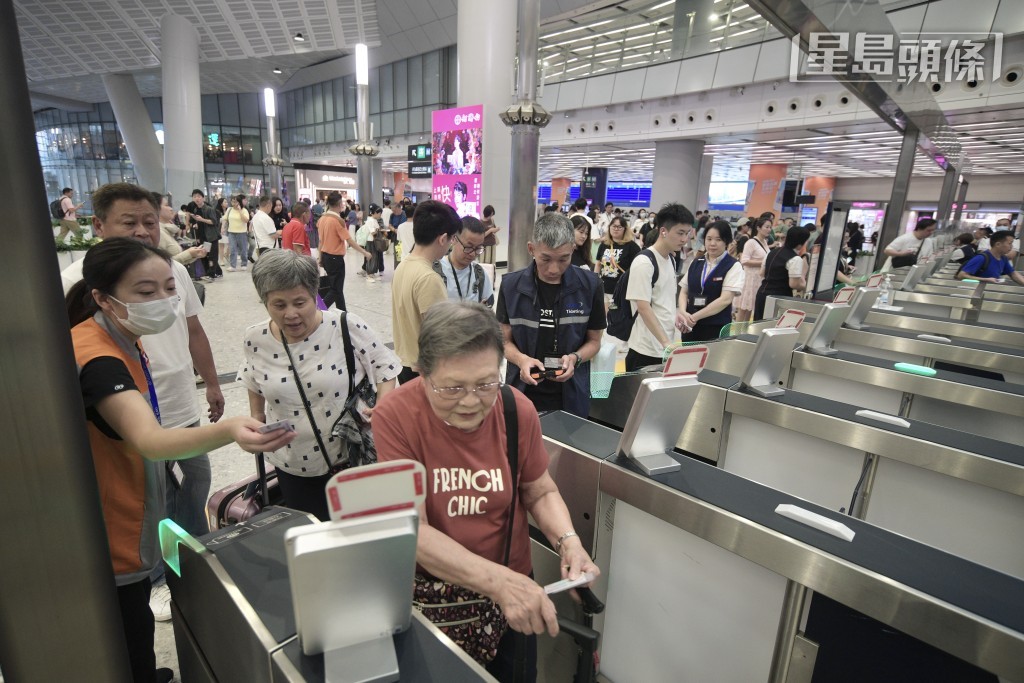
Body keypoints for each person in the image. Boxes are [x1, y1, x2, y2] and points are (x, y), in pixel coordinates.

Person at [66, 238, 295, 683]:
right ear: (101, 297)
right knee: (125, 631)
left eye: (169, 287)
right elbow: (149, 440)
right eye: (145, 292)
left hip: (133, 507)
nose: (164, 301)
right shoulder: (96, 356)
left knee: (136, 626)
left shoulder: (123, 335)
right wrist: (230, 430)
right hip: (113, 521)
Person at [374, 301, 600, 682]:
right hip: (438, 594)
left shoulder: (516, 409)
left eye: (485, 384)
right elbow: (412, 530)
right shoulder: (396, 416)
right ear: (423, 372)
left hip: (514, 587)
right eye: (452, 387)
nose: (470, 401)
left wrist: (569, 542)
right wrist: (497, 582)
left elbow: (539, 490)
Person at [60, 183, 227, 621]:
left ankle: (185, 561)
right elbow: (143, 436)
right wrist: (234, 430)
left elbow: (194, 331)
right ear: (99, 226)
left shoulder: (169, 269)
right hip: (129, 419)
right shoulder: (80, 286)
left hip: (176, 403)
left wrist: (210, 383)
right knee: (152, 501)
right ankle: (155, 575)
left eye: (149, 222)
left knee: (194, 484)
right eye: (128, 222)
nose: (141, 231)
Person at [238, 250, 400, 521]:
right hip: (293, 466)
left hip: (352, 460)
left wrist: (382, 408)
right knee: (316, 539)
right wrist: (256, 420)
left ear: (315, 294)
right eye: (278, 305)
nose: (291, 314)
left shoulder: (345, 326)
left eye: (300, 302)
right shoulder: (256, 339)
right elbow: (253, 379)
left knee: (361, 534)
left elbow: (386, 366)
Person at [496, 213, 605, 417]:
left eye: (564, 259)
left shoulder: (590, 286)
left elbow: (595, 341)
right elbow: (503, 341)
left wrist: (575, 359)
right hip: (522, 390)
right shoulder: (511, 286)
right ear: (531, 249)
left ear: (573, 249)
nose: (554, 269)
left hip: (571, 393)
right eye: (545, 259)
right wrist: (521, 360)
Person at [392, 200, 462, 383]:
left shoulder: (403, 266)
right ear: (442, 239)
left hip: (404, 362)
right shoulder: (429, 279)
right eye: (452, 239)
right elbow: (439, 336)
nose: (451, 244)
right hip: (424, 370)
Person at [625, 204, 693, 370]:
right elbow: (643, 307)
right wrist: (667, 343)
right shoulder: (644, 262)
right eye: (680, 233)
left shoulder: (669, 259)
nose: (685, 239)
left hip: (663, 347)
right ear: (664, 231)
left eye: (687, 233)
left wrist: (675, 316)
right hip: (645, 349)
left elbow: (663, 300)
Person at [676, 220, 744, 342]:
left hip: (716, 327)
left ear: (726, 241)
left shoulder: (733, 266)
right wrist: (682, 312)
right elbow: (684, 291)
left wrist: (694, 318)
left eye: (718, 239)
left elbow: (725, 300)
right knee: (689, 358)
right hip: (690, 327)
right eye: (709, 239)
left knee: (714, 360)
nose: (712, 243)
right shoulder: (696, 262)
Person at [317, 191, 370, 312]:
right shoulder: (338, 221)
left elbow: (321, 241)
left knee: (337, 288)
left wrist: (320, 258)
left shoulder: (322, 219)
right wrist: (365, 252)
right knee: (335, 290)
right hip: (336, 259)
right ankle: (318, 310)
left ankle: (343, 313)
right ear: (340, 203)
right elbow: (350, 241)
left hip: (326, 257)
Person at [753, 225, 810, 320]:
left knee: (758, 325)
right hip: (780, 298)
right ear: (800, 244)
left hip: (762, 294)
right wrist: (806, 285)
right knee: (774, 327)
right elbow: (793, 284)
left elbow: (762, 273)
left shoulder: (771, 252)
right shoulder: (795, 259)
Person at [439, 216, 495, 305]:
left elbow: (488, 307)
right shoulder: (437, 271)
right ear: (454, 239)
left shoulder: (480, 274)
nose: (473, 254)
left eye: (478, 248)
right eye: (468, 247)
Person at [595, 215, 642, 300]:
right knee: (604, 312)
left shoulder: (632, 246)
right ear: (609, 228)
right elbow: (598, 264)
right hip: (604, 288)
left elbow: (638, 268)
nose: (616, 229)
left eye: (619, 227)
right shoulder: (604, 244)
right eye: (614, 226)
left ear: (625, 229)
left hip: (622, 289)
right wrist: (595, 280)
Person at [735, 217, 772, 323]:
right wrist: (764, 263)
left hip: (759, 278)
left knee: (750, 308)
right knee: (743, 308)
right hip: (750, 278)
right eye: (766, 227)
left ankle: (744, 333)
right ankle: (736, 334)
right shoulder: (751, 242)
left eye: (770, 227)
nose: (769, 229)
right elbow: (744, 260)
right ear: (758, 228)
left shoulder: (764, 242)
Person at [955, 230, 1024, 285]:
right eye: (1009, 243)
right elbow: (961, 275)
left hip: (988, 290)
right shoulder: (981, 258)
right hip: (974, 291)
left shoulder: (1003, 258)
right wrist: (986, 280)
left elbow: (1013, 274)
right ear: (998, 244)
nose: (1011, 247)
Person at [155, 193, 205, 267]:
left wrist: (194, 254)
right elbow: (161, 265)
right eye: (166, 205)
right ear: (156, 209)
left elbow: (177, 261)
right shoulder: (158, 233)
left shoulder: (167, 231)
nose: (171, 208)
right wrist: (189, 253)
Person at [189, 189, 222, 279]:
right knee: (204, 255)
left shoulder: (209, 209)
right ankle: (216, 272)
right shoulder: (196, 210)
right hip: (203, 237)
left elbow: (214, 222)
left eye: (199, 196)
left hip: (211, 237)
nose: (197, 199)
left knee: (212, 256)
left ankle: (211, 274)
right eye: (195, 197)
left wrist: (201, 220)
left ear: (203, 198)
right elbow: (199, 223)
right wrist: (196, 224)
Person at [223, 194, 250, 271]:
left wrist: (240, 211)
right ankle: (233, 265)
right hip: (231, 232)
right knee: (232, 249)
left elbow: (246, 220)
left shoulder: (244, 210)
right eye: (232, 202)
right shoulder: (229, 210)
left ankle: (244, 264)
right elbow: (225, 219)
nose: (234, 204)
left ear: (239, 202)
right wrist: (222, 228)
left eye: (236, 202)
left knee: (243, 249)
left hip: (242, 232)